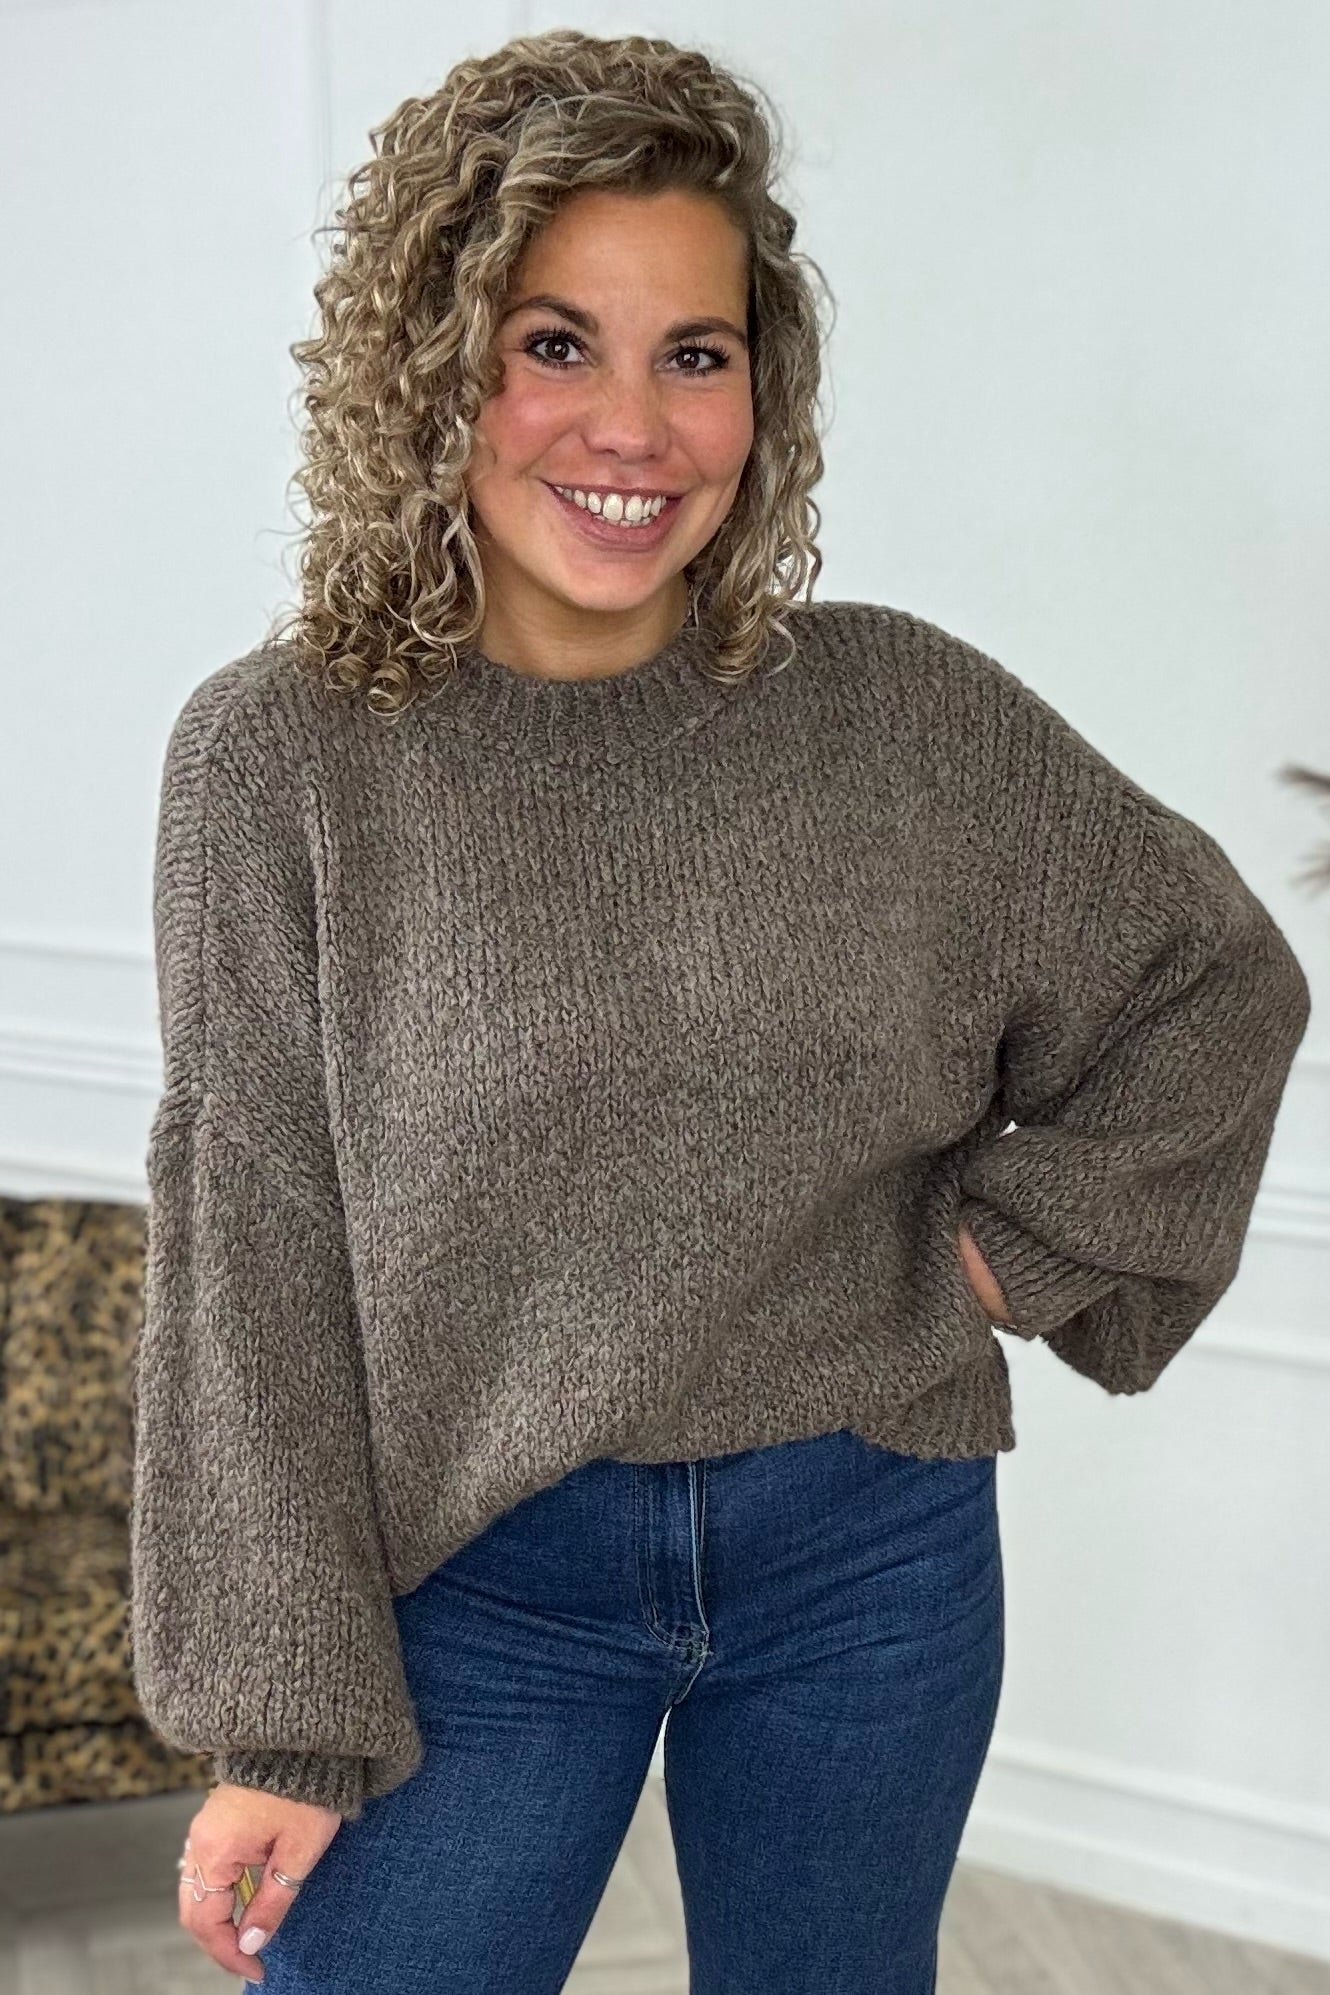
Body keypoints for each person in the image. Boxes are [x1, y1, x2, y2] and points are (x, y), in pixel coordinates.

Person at [129, 27, 1311, 1995]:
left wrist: (1000, 1257)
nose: (635, 426)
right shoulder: (282, 760)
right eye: (553, 343)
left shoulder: (901, 715)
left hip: (865, 1551)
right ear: (428, 367)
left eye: (696, 353)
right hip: (475, 1585)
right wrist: (283, 1721)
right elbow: (252, 1242)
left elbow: (1209, 980)